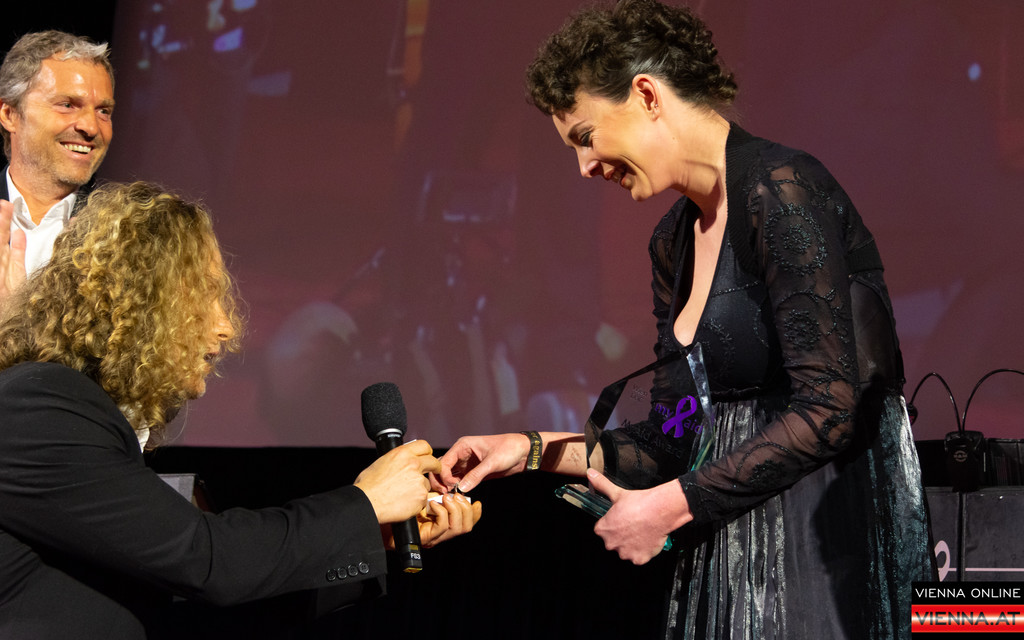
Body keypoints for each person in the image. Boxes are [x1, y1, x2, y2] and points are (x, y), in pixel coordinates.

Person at [439, 1, 933, 638]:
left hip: (822, 544)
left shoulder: (782, 190)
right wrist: (529, 451)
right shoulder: (672, 242)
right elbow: (671, 436)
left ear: (647, 95)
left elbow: (830, 408)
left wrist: (671, 507)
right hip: (732, 551)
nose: (585, 168)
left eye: (585, 137)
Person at [0, 181, 481, 639]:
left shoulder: (75, 416)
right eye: (204, 295)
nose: (225, 326)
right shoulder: (38, 407)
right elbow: (207, 559)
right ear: (138, 302)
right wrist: (363, 504)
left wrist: (374, 536)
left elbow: (201, 600)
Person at [0, 30, 114, 304]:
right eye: (67, 105)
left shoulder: (120, 236)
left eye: (103, 111)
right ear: (9, 114)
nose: (91, 127)